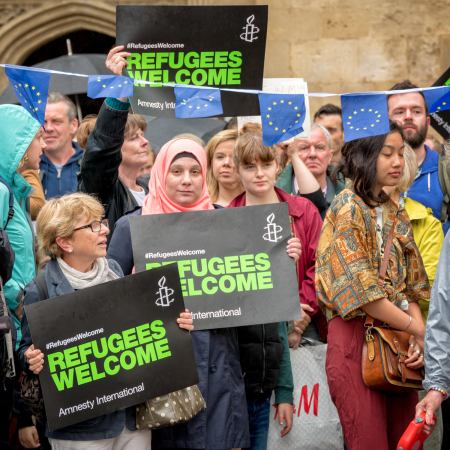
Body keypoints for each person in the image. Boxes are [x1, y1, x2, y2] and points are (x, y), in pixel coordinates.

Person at [17, 192, 193, 449]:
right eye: (92, 226)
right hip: (80, 429)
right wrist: (30, 357)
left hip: (129, 419)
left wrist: (174, 323)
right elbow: (23, 353)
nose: (104, 230)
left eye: (102, 222)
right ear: (65, 242)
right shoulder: (41, 289)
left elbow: (141, 331)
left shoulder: (115, 271)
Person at [108, 137, 250, 450]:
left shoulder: (226, 222)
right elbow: (109, 303)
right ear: (161, 173)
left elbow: (252, 285)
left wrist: (282, 255)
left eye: (195, 172)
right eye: (177, 171)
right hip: (161, 373)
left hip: (218, 367)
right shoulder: (132, 226)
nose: (186, 180)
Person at [316, 124, 430, 450]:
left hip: (397, 340)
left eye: (400, 153)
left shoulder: (395, 211)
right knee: (368, 442)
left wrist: (417, 338)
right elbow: (363, 293)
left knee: (407, 442)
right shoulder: (347, 206)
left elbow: (411, 285)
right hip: (354, 337)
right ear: (365, 156)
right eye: (387, 153)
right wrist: (414, 329)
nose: (397, 161)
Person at [228, 124, 323, 449]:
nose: (259, 173)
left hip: (302, 328)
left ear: (278, 165)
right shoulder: (225, 218)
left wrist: (301, 313)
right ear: (237, 169)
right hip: (248, 342)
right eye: (249, 166)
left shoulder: (302, 210)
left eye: (266, 164)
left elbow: (320, 266)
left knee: (300, 428)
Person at [0, 104, 45, 449]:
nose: (42, 145)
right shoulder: (1, 193)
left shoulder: (15, 190)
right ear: (17, 143)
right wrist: (16, 296)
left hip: (21, 321)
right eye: (35, 138)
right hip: (10, 321)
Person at [79, 46, 152, 237]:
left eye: (142, 135)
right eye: (134, 138)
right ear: (116, 145)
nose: (145, 142)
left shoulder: (151, 187)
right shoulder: (102, 189)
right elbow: (103, 149)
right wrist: (121, 87)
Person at [384, 144, 444, 318]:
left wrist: (381, 297)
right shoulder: (356, 212)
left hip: (412, 328)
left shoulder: (427, 224)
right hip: (365, 328)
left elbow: (430, 290)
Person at [387, 80, 448, 229]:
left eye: (416, 111)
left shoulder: (445, 169)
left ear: (428, 121)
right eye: (399, 112)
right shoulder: (371, 173)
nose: (408, 116)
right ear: (385, 121)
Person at [277, 124, 345, 217]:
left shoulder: (348, 192)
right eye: (304, 148)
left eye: (319, 147)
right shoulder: (275, 194)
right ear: (291, 153)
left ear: (330, 156)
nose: (312, 154)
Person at [40, 92, 82, 199]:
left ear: (73, 125)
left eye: (56, 121)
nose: (48, 128)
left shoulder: (90, 164)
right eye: (43, 122)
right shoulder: (29, 168)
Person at [205, 129, 243, 207]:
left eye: (234, 157)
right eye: (220, 157)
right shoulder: (202, 207)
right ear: (211, 162)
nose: (226, 163)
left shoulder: (260, 203)